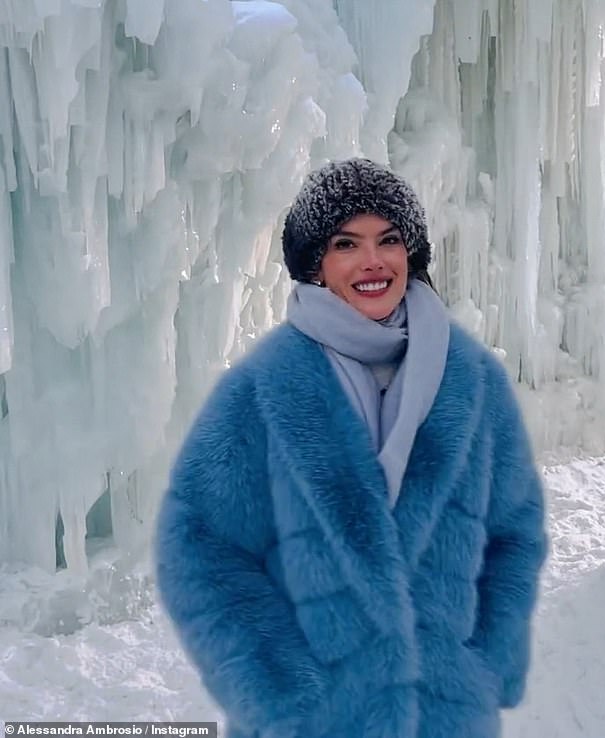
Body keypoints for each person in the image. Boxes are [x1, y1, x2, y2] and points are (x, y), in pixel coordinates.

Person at [155, 158, 548, 738]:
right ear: (316, 264)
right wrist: (281, 694)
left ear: (410, 253)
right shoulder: (262, 390)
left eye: (389, 240)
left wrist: (487, 663)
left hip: (446, 717)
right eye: (347, 243)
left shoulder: (473, 382)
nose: (373, 261)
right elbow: (198, 549)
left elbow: (514, 531)